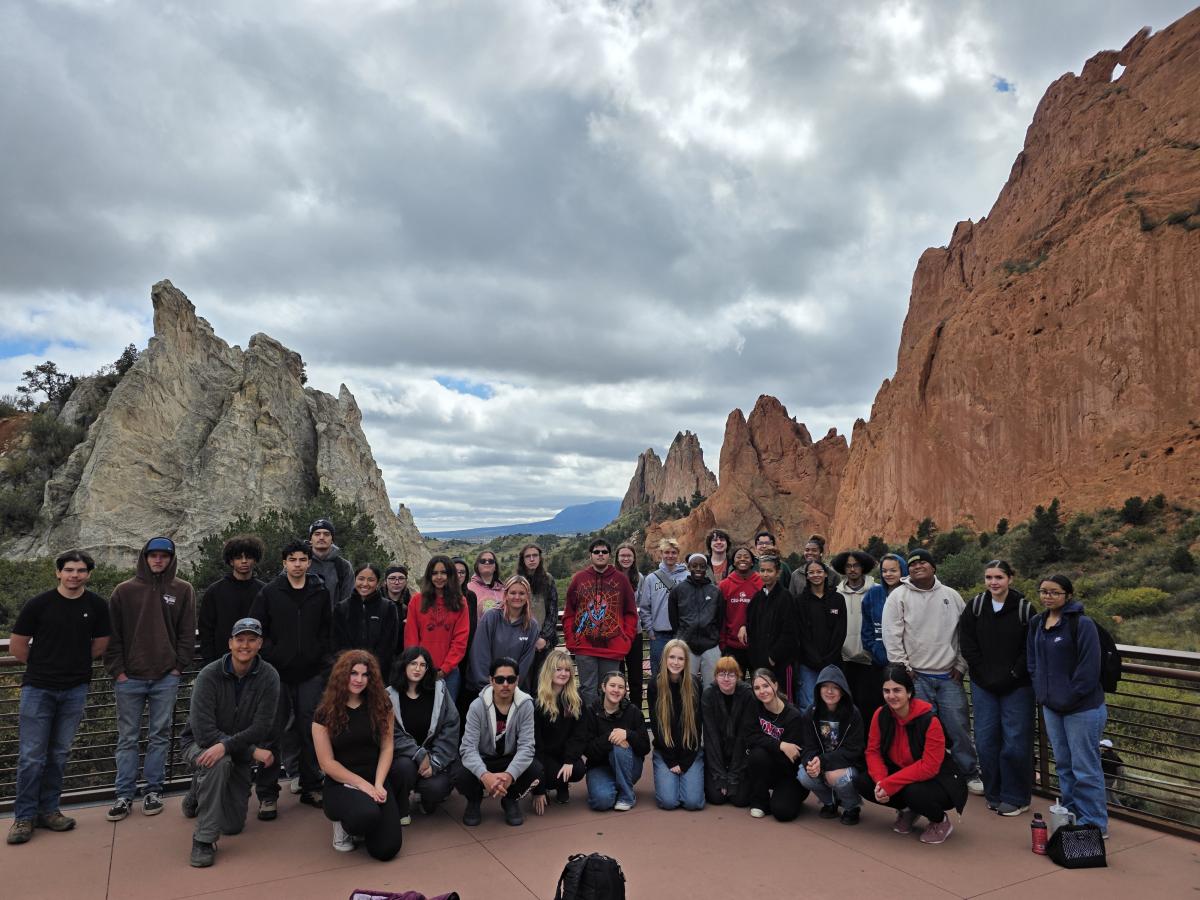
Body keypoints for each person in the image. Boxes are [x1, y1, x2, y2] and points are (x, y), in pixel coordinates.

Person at [7, 550, 111, 846]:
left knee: (59, 754)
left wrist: (72, 664)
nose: (74, 575)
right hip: (38, 689)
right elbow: (16, 646)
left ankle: (49, 811)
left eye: (80, 570)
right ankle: (24, 817)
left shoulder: (96, 605)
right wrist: (44, 665)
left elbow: (101, 644)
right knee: (31, 757)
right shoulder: (39, 604)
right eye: (69, 570)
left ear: (88, 574)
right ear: (58, 573)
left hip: (75, 688)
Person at [104, 536, 196, 822]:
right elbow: (113, 634)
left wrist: (178, 666)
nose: (158, 560)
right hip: (129, 677)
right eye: (153, 555)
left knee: (159, 736)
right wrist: (117, 670)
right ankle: (123, 795)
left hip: (165, 677)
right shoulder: (124, 591)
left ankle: (153, 791)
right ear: (144, 557)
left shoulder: (183, 589)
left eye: (164, 556)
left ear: (171, 559)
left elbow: (187, 631)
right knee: (127, 738)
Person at [180, 617, 280, 867]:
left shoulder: (269, 676)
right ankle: (203, 840)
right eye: (240, 639)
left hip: (236, 750)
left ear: (260, 644)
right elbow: (202, 732)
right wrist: (247, 751)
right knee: (219, 763)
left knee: (233, 826)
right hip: (199, 745)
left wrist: (231, 746)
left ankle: (196, 790)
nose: (245, 645)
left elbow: (261, 727)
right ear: (230, 643)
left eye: (251, 640)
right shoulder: (209, 675)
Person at [882, 548, 981, 794]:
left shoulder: (951, 596)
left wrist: (961, 665)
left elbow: (964, 634)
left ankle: (968, 772)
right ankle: (926, 773)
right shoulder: (898, 597)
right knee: (921, 729)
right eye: (913, 564)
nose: (917, 567)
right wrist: (903, 669)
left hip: (948, 676)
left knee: (958, 727)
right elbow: (892, 636)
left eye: (923, 563)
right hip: (917, 676)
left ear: (933, 567)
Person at [249, 539, 333, 817]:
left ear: (309, 562)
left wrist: (320, 658)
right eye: (292, 559)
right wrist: (274, 655)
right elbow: (259, 630)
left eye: (302, 559)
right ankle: (267, 794)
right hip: (277, 674)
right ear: (284, 563)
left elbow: (326, 630)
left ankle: (312, 785)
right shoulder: (270, 593)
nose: (298, 564)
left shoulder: (319, 592)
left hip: (310, 674)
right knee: (272, 731)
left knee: (312, 730)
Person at [1027, 573, 1109, 836]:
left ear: (1068, 595)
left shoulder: (1082, 624)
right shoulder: (1037, 623)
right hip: (1052, 707)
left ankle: (1095, 823)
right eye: (1043, 592)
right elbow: (1033, 660)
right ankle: (1072, 816)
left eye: (1054, 592)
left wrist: (1069, 696)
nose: (1047, 597)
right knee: (1063, 764)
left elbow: (1089, 668)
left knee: (1085, 767)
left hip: (1082, 708)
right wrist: (1042, 691)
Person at [857, 664, 967, 844]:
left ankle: (940, 821)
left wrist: (889, 783)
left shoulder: (930, 721)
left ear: (909, 692)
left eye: (897, 690)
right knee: (863, 782)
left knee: (913, 792)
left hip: (940, 781)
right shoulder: (880, 714)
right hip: (902, 773)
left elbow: (929, 767)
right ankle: (909, 810)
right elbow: (872, 751)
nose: (891, 696)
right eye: (886, 691)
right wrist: (880, 781)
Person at [958, 559, 1033, 816]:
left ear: (1010, 578)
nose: (993, 582)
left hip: (1017, 685)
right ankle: (994, 792)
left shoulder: (1024, 609)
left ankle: (1016, 796)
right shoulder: (977, 606)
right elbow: (966, 640)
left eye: (999, 577)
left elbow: (1029, 647)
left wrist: (1013, 673)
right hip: (983, 684)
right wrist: (981, 672)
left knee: (1015, 741)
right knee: (987, 740)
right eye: (989, 577)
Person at [312, 650, 402, 860]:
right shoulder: (324, 713)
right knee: (365, 815)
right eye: (354, 673)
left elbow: (387, 748)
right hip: (341, 782)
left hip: (374, 776)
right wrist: (364, 786)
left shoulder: (382, 705)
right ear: (342, 675)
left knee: (387, 850)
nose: (359, 680)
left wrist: (378, 784)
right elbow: (327, 763)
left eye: (365, 674)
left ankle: (368, 823)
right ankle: (344, 826)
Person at [457, 657, 543, 827]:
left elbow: (527, 747)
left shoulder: (525, 705)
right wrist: (485, 775)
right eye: (499, 679)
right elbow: (468, 748)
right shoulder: (477, 706)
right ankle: (474, 801)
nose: (505, 684)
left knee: (535, 769)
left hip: (508, 759)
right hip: (484, 758)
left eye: (510, 679)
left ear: (517, 680)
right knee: (459, 772)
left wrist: (510, 775)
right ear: (491, 680)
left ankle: (510, 800)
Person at [387, 646, 461, 821]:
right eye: (413, 663)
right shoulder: (389, 695)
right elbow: (392, 734)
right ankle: (401, 801)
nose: (417, 668)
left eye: (423, 665)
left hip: (434, 758)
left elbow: (451, 726)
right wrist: (419, 754)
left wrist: (434, 762)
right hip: (405, 757)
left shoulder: (439, 691)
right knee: (403, 769)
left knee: (435, 789)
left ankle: (424, 797)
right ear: (403, 665)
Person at [563, 539, 637, 704]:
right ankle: (589, 728)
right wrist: (571, 638)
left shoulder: (622, 580)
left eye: (604, 552)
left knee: (610, 690)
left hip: (613, 647)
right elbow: (569, 612)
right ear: (590, 555)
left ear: (610, 556)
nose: (600, 555)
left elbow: (631, 613)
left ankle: (609, 728)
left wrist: (626, 639)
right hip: (584, 647)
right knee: (587, 691)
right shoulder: (579, 579)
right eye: (596, 552)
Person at [798, 665, 866, 826]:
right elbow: (808, 746)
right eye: (825, 687)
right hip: (822, 761)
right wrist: (811, 762)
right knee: (804, 774)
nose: (829, 691)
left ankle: (852, 806)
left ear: (843, 691)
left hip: (847, 765)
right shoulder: (811, 713)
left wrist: (823, 761)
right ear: (818, 689)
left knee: (835, 776)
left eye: (835, 687)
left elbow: (854, 750)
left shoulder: (853, 713)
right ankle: (830, 802)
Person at [742, 668, 807, 821]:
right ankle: (760, 802)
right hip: (765, 765)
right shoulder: (754, 706)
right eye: (757, 688)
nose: (762, 691)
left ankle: (794, 795)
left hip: (788, 773)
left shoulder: (793, 716)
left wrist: (770, 746)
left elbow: (791, 757)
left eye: (766, 686)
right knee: (757, 755)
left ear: (775, 686)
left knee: (783, 812)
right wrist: (780, 745)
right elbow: (750, 737)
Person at [404, 555, 471, 701]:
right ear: (429, 576)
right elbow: (411, 638)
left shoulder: (460, 602)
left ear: (450, 575)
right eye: (435, 573)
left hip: (449, 674)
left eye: (444, 572)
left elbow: (460, 640)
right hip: (420, 671)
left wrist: (444, 669)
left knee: (446, 718)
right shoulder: (416, 601)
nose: (439, 577)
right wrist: (417, 666)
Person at [582, 670, 651, 811]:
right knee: (602, 802)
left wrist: (628, 735)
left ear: (625, 691)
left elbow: (645, 748)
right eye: (612, 685)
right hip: (600, 767)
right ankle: (617, 787)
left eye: (620, 687)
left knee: (619, 748)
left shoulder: (633, 712)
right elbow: (588, 751)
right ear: (603, 687)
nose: (616, 690)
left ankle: (626, 796)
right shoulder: (591, 711)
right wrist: (611, 738)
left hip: (629, 767)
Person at [531, 648, 587, 814]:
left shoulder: (575, 699)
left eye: (567, 670)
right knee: (551, 774)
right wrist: (538, 789)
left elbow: (580, 734)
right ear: (549, 671)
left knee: (578, 769)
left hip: (564, 753)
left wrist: (570, 760)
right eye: (558, 669)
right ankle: (549, 785)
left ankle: (562, 784)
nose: (563, 673)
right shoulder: (536, 702)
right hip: (544, 754)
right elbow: (536, 743)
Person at [650, 640, 705, 810]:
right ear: (665, 659)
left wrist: (686, 761)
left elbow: (697, 725)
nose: (675, 662)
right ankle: (672, 778)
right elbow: (656, 726)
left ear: (686, 661)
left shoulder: (695, 684)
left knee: (693, 803)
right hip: (665, 750)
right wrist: (672, 760)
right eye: (672, 657)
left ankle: (688, 778)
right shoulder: (655, 685)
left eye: (680, 658)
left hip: (690, 750)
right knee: (668, 802)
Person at [197, 535, 266, 667]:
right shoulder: (215, 591)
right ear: (231, 561)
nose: (244, 561)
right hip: (221, 663)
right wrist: (211, 662)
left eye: (249, 557)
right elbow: (206, 631)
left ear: (255, 560)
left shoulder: (264, 591)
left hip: (258, 664)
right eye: (239, 558)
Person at [468, 575, 540, 692]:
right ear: (505, 595)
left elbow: (525, 664)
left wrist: (510, 687)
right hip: (486, 688)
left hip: (514, 689)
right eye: (513, 593)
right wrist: (488, 688)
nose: (517, 597)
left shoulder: (532, 626)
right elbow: (480, 655)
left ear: (527, 596)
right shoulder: (491, 617)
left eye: (522, 593)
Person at [831, 549, 878, 721]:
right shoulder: (835, 594)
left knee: (870, 706)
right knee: (846, 706)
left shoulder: (876, 591)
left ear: (863, 567)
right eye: (848, 566)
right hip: (844, 660)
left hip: (870, 660)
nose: (852, 569)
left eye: (856, 565)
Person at [860, 552, 907, 722]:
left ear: (902, 570)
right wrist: (874, 649)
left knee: (903, 708)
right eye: (885, 570)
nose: (888, 574)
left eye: (893, 570)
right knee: (878, 708)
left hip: (906, 665)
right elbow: (866, 628)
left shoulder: (909, 593)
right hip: (878, 662)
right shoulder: (874, 593)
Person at [333, 563, 400, 683]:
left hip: (379, 675)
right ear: (355, 580)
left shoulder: (388, 608)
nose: (365, 584)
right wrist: (353, 668)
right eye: (361, 579)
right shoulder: (341, 608)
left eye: (371, 580)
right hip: (348, 673)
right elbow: (339, 643)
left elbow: (388, 644)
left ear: (378, 583)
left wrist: (372, 668)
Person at [701, 656, 754, 807]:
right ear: (716, 676)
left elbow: (743, 738)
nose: (726, 679)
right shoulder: (709, 695)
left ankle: (736, 776)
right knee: (716, 797)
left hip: (740, 754)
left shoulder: (747, 694)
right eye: (721, 674)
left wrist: (733, 777)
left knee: (741, 799)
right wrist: (720, 777)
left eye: (731, 675)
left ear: (737, 676)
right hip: (717, 754)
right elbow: (711, 737)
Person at [794, 560, 846, 712]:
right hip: (808, 664)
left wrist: (829, 658)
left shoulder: (837, 599)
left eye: (819, 571)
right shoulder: (800, 601)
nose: (815, 575)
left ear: (825, 574)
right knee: (809, 704)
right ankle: (809, 735)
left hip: (833, 662)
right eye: (811, 572)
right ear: (807, 576)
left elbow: (840, 631)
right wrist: (814, 659)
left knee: (833, 703)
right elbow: (801, 634)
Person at [668, 553, 725, 688]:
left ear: (706, 568)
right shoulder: (678, 590)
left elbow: (720, 618)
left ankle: (709, 710)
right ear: (688, 567)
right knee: (687, 687)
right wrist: (681, 636)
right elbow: (673, 619)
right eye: (694, 566)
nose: (698, 569)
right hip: (686, 645)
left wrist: (713, 635)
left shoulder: (715, 591)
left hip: (710, 645)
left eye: (702, 566)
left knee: (712, 687)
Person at [637, 538, 687, 683]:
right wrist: (651, 631)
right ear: (661, 554)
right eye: (666, 552)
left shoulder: (687, 576)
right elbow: (645, 607)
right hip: (659, 635)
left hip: (681, 634)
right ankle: (659, 705)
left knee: (681, 676)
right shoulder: (651, 579)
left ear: (678, 554)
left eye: (673, 552)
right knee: (658, 676)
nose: (670, 556)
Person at [744, 555, 797, 684]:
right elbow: (750, 623)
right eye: (762, 570)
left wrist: (774, 656)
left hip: (779, 662)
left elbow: (790, 631)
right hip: (759, 660)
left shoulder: (785, 597)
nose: (765, 574)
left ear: (778, 573)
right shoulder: (758, 597)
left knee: (780, 697)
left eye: (769, 571)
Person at [517, 543, 559, 685]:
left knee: (543, 684)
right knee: (523, 683)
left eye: (535, 555)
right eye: (528, 556)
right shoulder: (516, 581)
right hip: (521, 641)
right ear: (522, 560)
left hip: (544, 642)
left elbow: (553, 611)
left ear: (540, 558)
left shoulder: (548, 580)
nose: (532, 559)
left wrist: (543, 638)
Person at [718, 547, 760, 674]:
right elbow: (721, 616)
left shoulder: (761, 583)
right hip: (732, 646)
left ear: (752, 562)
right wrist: (723, 643)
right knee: (734, 686)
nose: (742, 559)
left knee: (759, 686)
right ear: (733, 562)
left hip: (757, 645)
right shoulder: (724, 585)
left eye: (746, 557)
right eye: (739, 556)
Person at [614, 543, 646, 711]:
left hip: (635, 633)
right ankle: (618, 713)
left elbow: (643, 604)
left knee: (636, 678)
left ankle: (636, 714)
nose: (626, 559)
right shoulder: (610, 576)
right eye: (623, 556)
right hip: (615, 634)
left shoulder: (639, 578)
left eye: (629, 556)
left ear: (634, 558)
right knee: (617, 677)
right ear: (617, 558)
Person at [307, 518, 354, 606]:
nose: (321, 537)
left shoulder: (344, 566)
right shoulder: (299, 561)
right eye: (317, 534)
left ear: (332, 539)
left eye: (326, 534)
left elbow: (348, 601)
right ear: (310, 539)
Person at [469, 552, 505, 619]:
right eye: (483, 561)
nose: (487, 563)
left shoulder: (504, 591)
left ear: (495, 567)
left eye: (491, 561)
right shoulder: (468, 588)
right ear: (477, 566)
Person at [382, 565, 411, 635]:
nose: (397, 582)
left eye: (401, 578)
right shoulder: (377, 603)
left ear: (406, 581)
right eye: (392, 578)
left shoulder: (411, 604)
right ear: (385, 581)